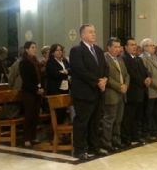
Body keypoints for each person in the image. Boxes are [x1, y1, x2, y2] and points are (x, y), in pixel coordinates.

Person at [69, 24, 108, 160]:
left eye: (94, 32)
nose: (94, 34)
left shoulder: (98, 50)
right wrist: (97, 81)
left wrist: (105, 79)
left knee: (95, 121)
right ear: (82, 35)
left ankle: (94, 146)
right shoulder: (76, 50)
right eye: (90, 32)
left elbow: (105, 67)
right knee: (82, 122)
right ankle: (79, 149)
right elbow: (80, 70)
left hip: (98, 92)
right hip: (84, 92)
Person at [121, 38, 150, 146]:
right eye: (131, 45)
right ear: (126, 47)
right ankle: (126, 138)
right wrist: (143, 80)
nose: (134, 47)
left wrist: (148, 77)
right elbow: (131, 74)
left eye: (135, 45)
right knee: (129, 117)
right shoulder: (124, 59)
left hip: (141, 92)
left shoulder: (138, 59)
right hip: (131, 92)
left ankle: (135, 136)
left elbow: (145, 71)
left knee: (138, 116)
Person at [102, 37, 129, 152]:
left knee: (118, 120)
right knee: (109, 120)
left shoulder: (120, 59)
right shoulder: (104, 59)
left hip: (122, 94)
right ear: (109, 47)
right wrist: (119, 86)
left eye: (119, 47)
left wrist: (126, 85)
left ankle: (116, 140)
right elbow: (106, 77)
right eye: (115, 47)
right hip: (111, 94)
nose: (118, 49)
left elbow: (126, 74)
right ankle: (106, 142)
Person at [19, 41, 44, 148]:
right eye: (32, 47)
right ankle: (26, 138)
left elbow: (40, 76)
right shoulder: (24, 62)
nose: (35, 49)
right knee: (29, 115)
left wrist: (41, 88)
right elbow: (27, 79)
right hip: (28, 92)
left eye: (35, 47)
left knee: (35, 115)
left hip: (37, 92)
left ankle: (33, 137)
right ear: (27, 49)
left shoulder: (35, 61)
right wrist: (36, 89)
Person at [140, 38, 157, 138]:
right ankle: (148, 132)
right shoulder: (142, 58)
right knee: (149, 113)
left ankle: (155, 130)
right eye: (151, 45)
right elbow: (147, 74)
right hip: (151, 89)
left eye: (153, 45)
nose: (154, 47)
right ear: (145, 47)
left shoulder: (155, 57)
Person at [45, 44, 71, 124]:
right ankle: (56, 129)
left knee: (64, 110)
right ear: (53, 52)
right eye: (57, 50)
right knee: (57, 112)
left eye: (60, 50)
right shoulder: (50, 62)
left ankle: (61, 128)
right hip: (55, 90)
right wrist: (65, 72)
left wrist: (64, 72)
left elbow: (71, 70)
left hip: (65, 88)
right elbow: (55, 74)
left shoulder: (64, 61)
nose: (60, 52)